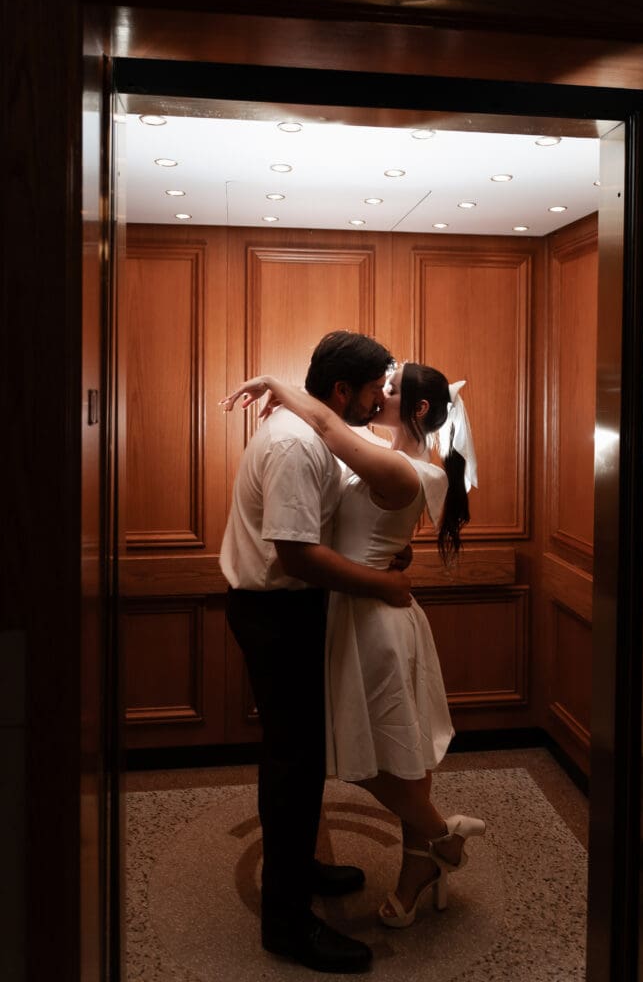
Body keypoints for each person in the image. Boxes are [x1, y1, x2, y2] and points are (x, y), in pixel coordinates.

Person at [223, 360, 486, 931]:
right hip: (350, 606)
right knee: (374, 747)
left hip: (374, 617)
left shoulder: (404, 468)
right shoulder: (379, 451)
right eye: (377, 385)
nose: (379, 395)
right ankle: (432, 850)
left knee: (378, 751)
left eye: (390, 390)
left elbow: (324, 427)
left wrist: (277, 383)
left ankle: (436, 843)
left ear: (417, 409)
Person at [218, 330, 414, 974]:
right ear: (340, 391)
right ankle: (286, 923)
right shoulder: (295, 444)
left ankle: (299, 867)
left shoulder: (311, 425)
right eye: (374, 390)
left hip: (293, 607)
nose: (379, 400)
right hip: (276, 612)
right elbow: (295, 553)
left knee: (300, 755)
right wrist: (385, 585)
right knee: (293, 763)